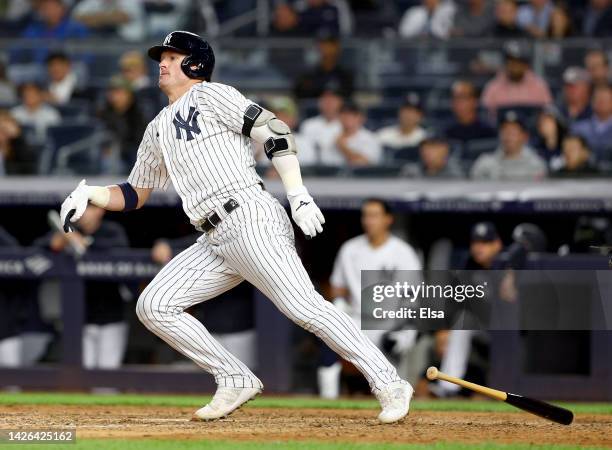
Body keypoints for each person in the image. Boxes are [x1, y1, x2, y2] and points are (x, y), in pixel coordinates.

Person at [59, 31, 413, 423]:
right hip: (213, 236)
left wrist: (297, 194)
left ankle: (389, 382)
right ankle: (234, 376)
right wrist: (90, 192)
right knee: (155, 305)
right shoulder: (157, 125)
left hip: (249, 214)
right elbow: (134, 193)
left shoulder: (213, 95)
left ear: (194, 64)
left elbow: (275, 131)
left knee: (304, 308)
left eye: (172, 56)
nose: (161, 62)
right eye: (162, 56)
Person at [322, 198, 422, 398]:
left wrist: (404, 332)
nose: (369, 221)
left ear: (388, 219)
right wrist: (339, 305)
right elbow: (337, 288)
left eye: (375, 215)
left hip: (391, 323)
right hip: (358, 319)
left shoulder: (403, 253)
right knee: (327, 332)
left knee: (395, 384)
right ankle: (328, 403)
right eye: (366, 215)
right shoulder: (350, 249)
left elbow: (414, 299)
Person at [37, 205, 130, 369]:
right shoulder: (68, 230)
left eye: (88, 209)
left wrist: (85, 242)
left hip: (111, 316)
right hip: (79, 318)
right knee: (81, 374)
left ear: (99, 211)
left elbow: (120, 250)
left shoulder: (111, 231)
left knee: (107, 378)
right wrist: (56, 243)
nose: (82, 213)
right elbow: (36, 248)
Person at [481, 41, 553, 117]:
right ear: (505, 63)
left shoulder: (539, 86)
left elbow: (548, 114)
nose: (515, 66)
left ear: (526, 65)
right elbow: (486, 116)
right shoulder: (493, 87)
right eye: (512, 61)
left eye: (519, 62)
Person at [470, 110, 547, 180]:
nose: (508, 135)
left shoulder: (536, 165)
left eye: (513, 131)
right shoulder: (484, 164)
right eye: (505, 130)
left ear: (525, 136)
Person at [96, 75, 147, 172]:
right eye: (112, 92)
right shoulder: (102, 114)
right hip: (109, 156)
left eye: (119, 92)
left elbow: (140, 141)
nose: (115, 96)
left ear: (129, 95)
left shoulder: (138, 115)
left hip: (131, 157)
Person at [20, 0, 89, 62]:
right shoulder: (33, 29)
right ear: (40, 11)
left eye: (53, 7)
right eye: (46, 8)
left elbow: (87, 53)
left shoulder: (76, 28)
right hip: (41, 68)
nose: (50, 11)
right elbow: (20, 49)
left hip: (70, 67)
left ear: (62, 9)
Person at [294, 35, 353, 99]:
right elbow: (299, 95)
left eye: (330, 45)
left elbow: (347, 97)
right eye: (322, 45)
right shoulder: (309, 76)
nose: (326, 49)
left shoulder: (345, 76)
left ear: (337, 47)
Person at [299, 88, 343, 165]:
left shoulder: (346, 125)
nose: (329, 104)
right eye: (325, 100)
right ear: (319, 103)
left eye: (332, 100)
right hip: (313, 169)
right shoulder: (308, 125)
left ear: (340, 102)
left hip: (341, 170)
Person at [334, 102, 382, 166]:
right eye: (344, 113)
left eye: (353, 114)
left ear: (362, 117)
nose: (347, 117)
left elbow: (364, 163)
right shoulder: (332, 134)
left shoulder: (370, 138)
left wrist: (343, 147)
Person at [72, 0, 145, 41]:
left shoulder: (130, 1)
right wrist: (109, 17)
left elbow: (123, 18)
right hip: (98, 43)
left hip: (129, 43)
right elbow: (77, 17)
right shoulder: (93, 2)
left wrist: (95, 19)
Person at [0, 109, 34, 175]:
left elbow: (27, 170)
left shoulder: (17, 146)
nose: (2, 133)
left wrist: (17, 138)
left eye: (5, 130)